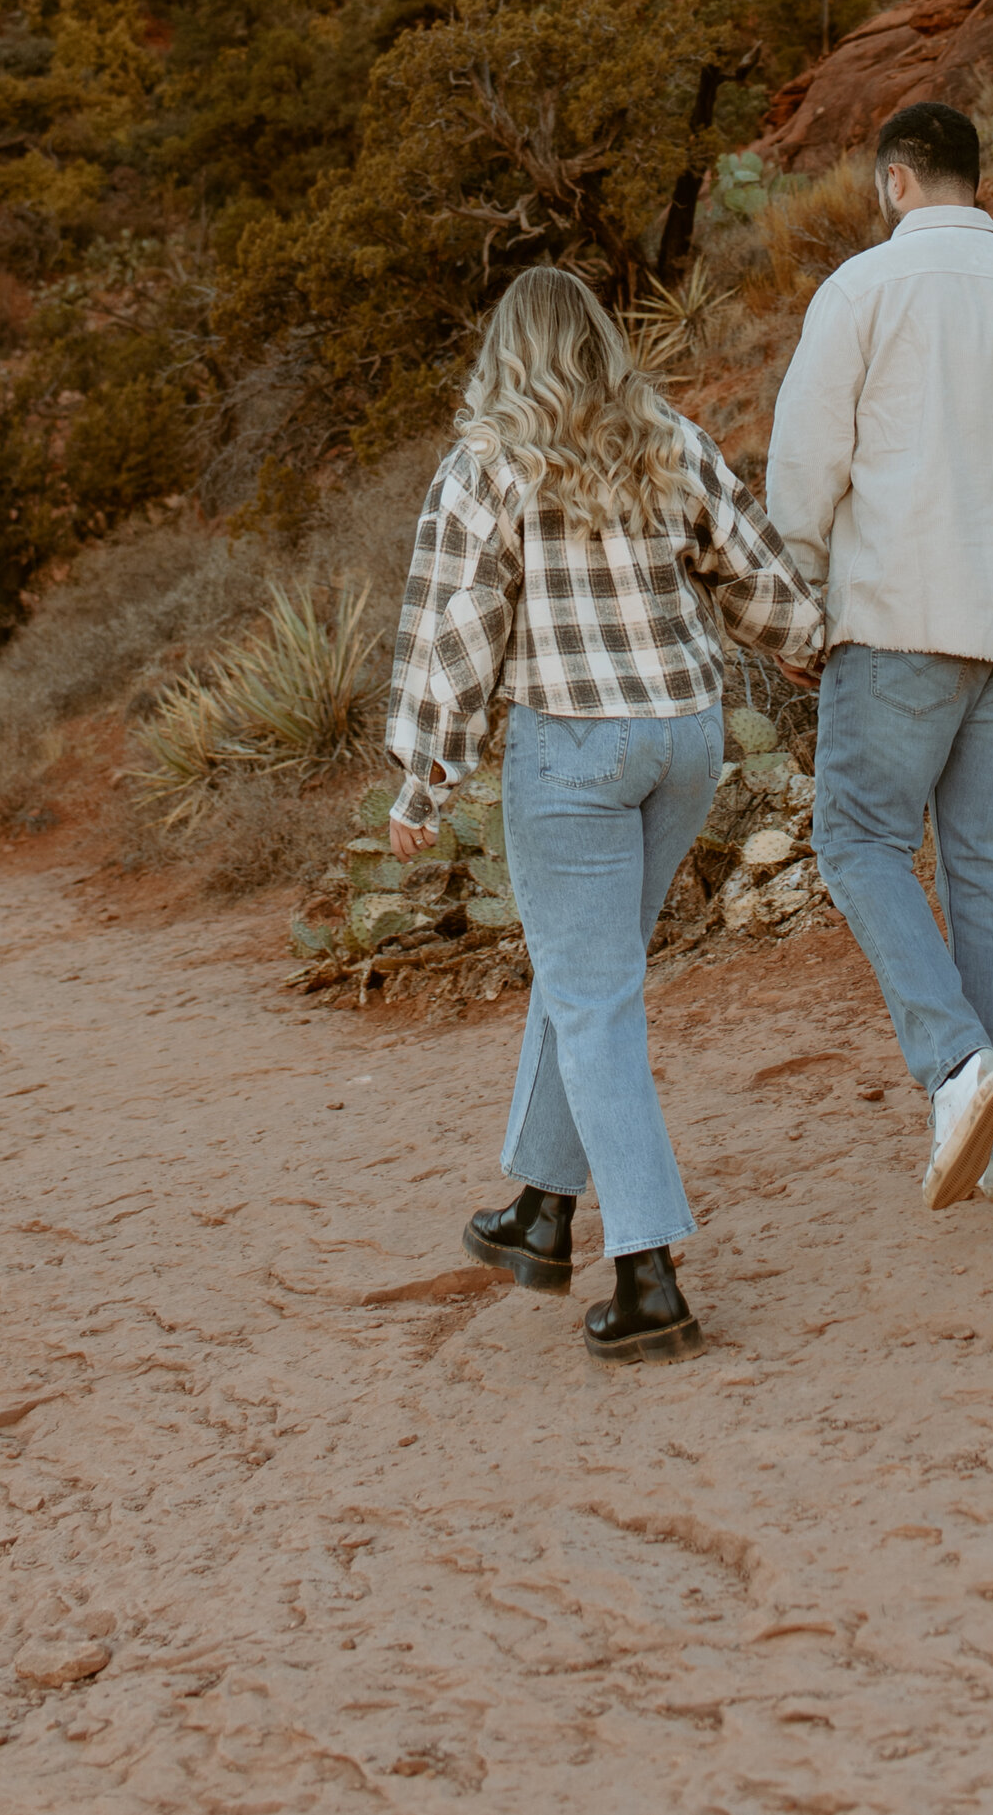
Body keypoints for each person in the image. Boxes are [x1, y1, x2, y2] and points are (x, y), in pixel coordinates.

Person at [385, 267, 828, 1364]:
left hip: (574, 747)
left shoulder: (487, 463)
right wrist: (806, 642)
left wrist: (423, 781)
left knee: (591, 998)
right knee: (587, 974)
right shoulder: (664, 435)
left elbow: (455, 632)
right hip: (683, 734)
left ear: (506, 352)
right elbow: (751, 561)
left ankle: (648, 1275)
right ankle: (538, 1208)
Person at [767, 100, 993, 1214]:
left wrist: (793, 598)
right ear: (975, 176)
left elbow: (806, 466)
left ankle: (958, 1068)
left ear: (894, 181)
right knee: (987, 876)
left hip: (903, 615)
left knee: (858, 839)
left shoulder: (862, 291)